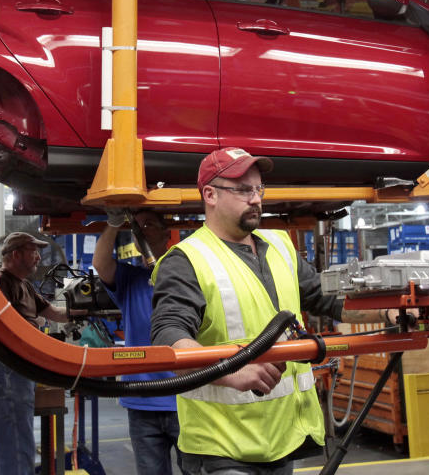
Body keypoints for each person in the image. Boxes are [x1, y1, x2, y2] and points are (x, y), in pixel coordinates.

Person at [151, 147, 388, 475]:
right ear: (210, 194)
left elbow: (327, 300)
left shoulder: (280, 246)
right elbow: (171, 339)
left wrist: (388, 312)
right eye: (243, 189)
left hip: (281, 440)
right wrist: (231, 371)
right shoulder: (187, 260)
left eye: (259, 189)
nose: (255, 199)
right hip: (223, 449)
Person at [92, 209, 181, 475]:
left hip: (185, 398)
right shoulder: (130, 278)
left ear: (167, 234)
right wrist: (113, 223)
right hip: (142, 401)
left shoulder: (184, 275)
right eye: (137, 227)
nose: (141, 232)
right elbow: (100, 262)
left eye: (149, 225)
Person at [0, 231, 69, 475]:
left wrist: (84, 309)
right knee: (17, 442)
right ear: (16, 254)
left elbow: (53, 312)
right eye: (34, 252)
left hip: (19, 369)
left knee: (11, 443)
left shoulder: (24, 285)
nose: (38, 258)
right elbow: (6, 326)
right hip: (8, 368)